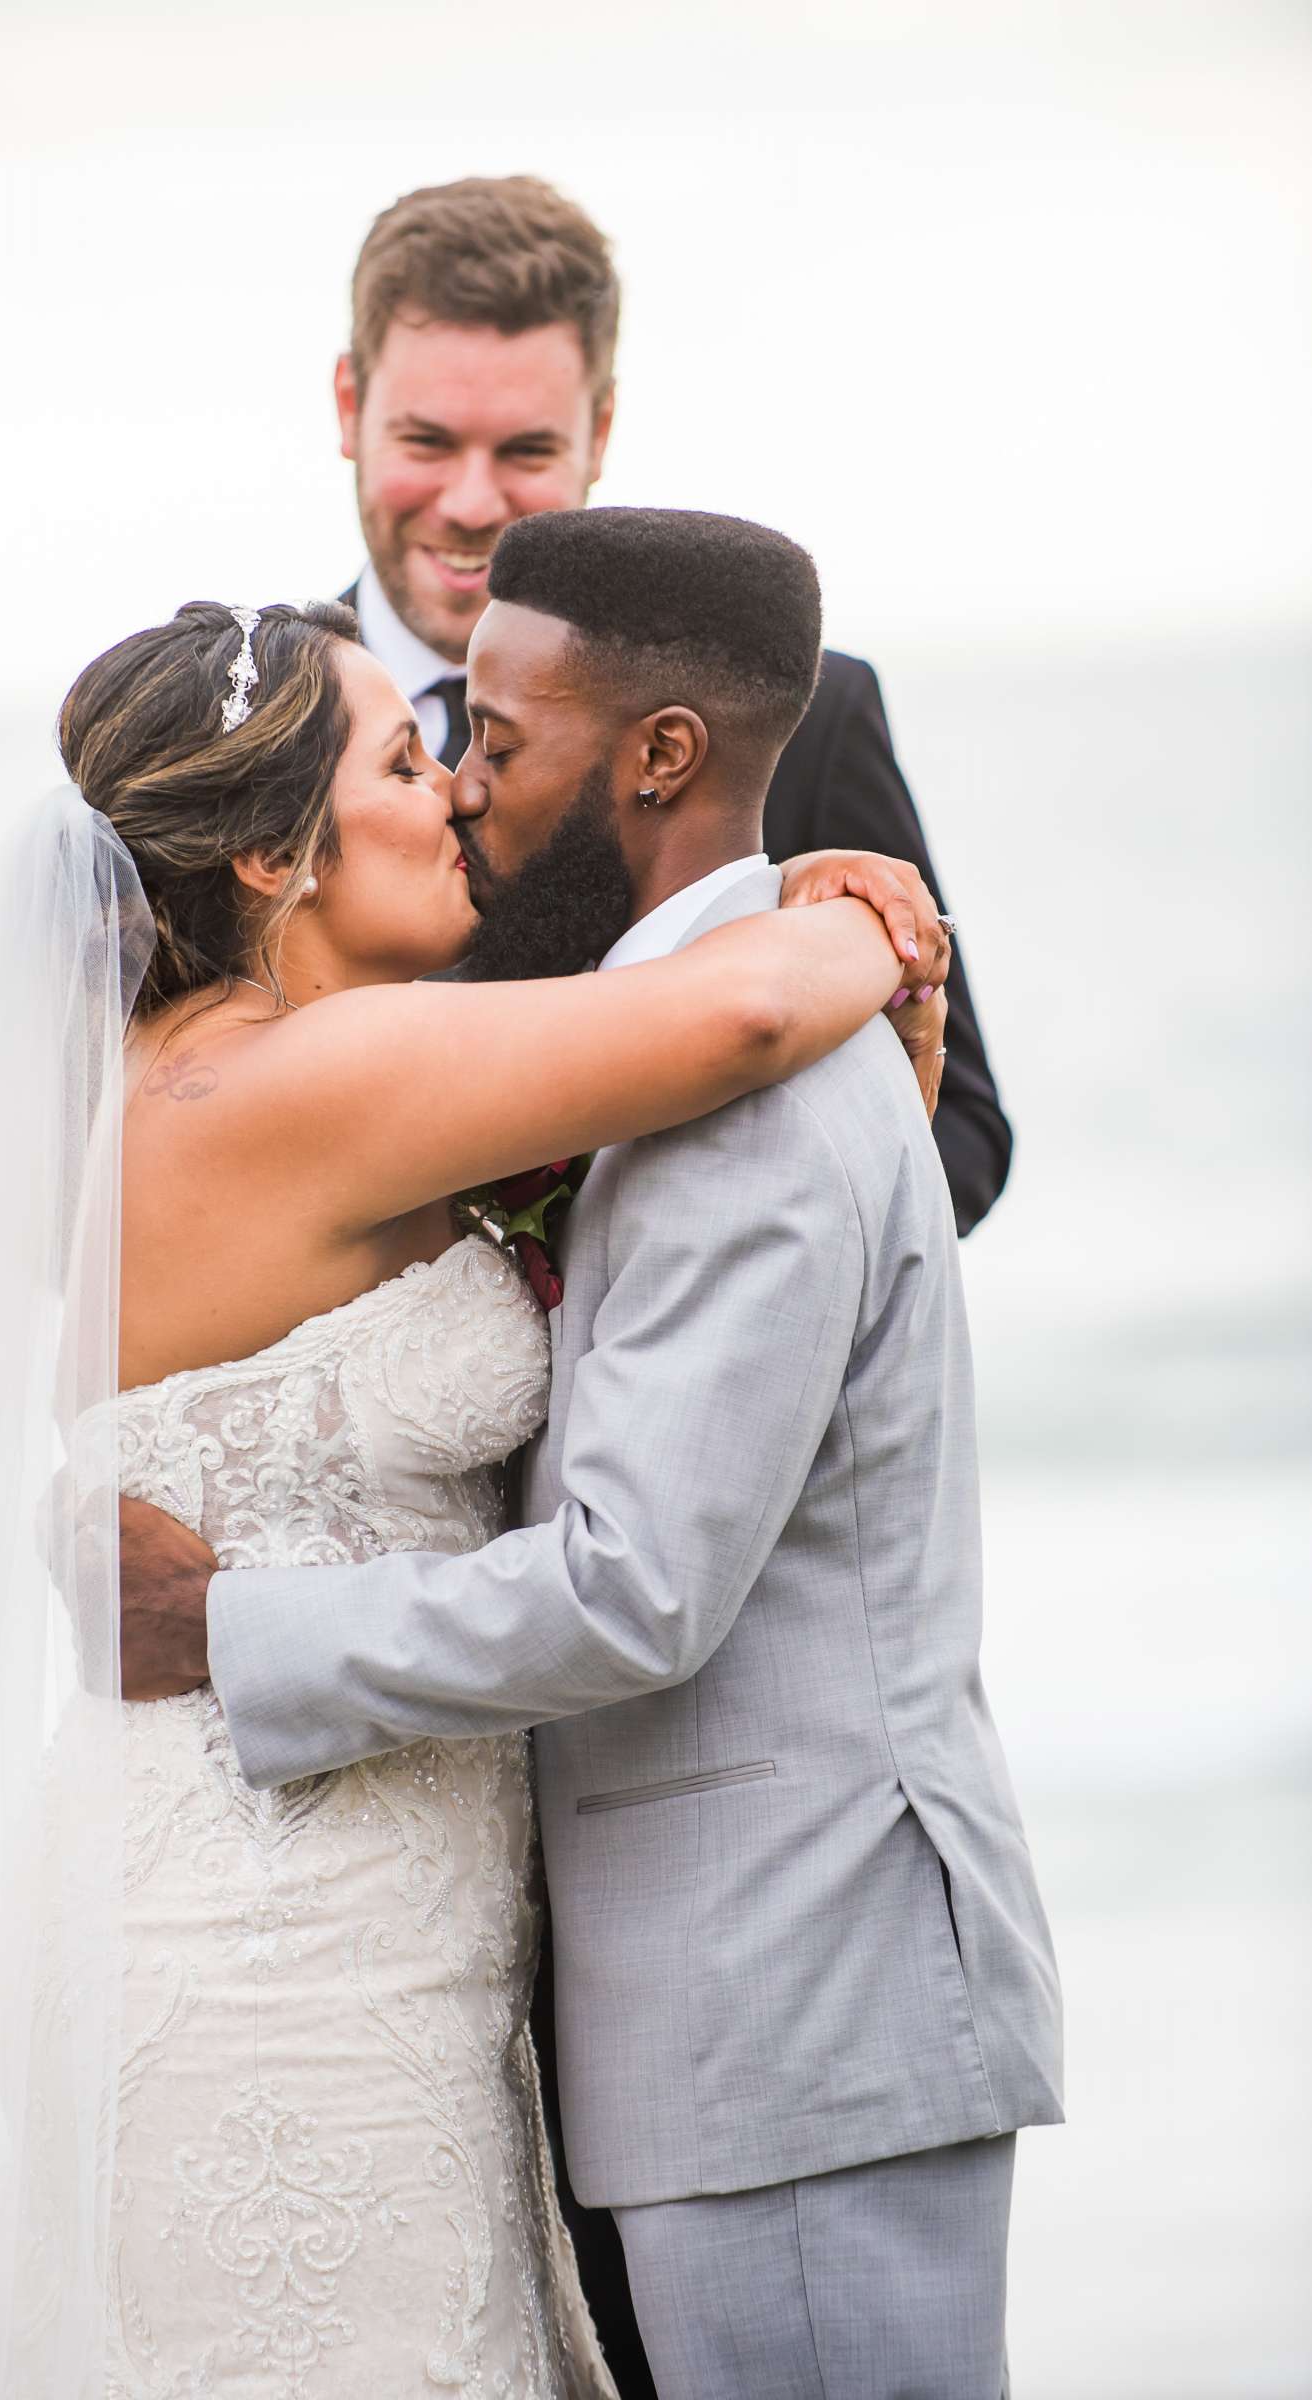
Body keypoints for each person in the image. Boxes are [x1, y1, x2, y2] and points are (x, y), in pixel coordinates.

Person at [0, 532, 950, 2393]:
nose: (451, 785)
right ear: (269, 858)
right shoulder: (308, 1088)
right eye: (396, 763)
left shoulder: (219, 1092)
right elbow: (749, 1017)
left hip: (307, 1892)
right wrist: (868, 914)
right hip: (271, 1935)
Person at [120, 508, 1065, 2400]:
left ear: (654, 756)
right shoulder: (630, 1064)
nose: (465, 793)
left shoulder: (754, 1080)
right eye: (431, 747)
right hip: (616, 2011)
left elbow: (635, 1587)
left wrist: (233, 1633)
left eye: (493, 742)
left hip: (788, 2016)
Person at [333, 173, 1013, 1238]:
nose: (471, 504)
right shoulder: (261, 731)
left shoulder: (810, 713)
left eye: (526, 451)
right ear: (348, 410)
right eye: (427, 443)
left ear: (599, 431)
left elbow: (963, 1135)